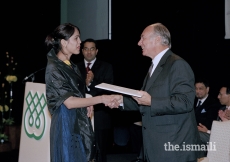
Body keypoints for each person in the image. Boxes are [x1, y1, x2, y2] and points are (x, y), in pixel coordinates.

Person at [108, 23, 201, 162]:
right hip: (156, 147)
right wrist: (121, 101)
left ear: (157, 39)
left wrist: (151, 101)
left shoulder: (177, 64)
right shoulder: (155, 66)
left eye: (142, 38)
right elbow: (145, 101)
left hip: (173, 149)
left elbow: (185, 102)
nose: (139, 43)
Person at [44, 23, 118, 162]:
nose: (80, 42)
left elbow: (76, 93)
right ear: (64, 42)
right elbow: (70, 102)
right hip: (66, 122)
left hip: (77, 120)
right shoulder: (54, 67)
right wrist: (101, 99)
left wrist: (85, 102)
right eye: (76, 38)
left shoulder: (71, 65)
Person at [77, 38, 114, 162]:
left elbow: (107, 90)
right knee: (80, 151)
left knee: (100, 153)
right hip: (79, 116)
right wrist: (85, 84)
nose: (89, 52)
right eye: (86, 49)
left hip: (100, 117)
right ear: (82, 51)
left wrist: (91, 83)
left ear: (96, 51)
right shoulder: (74, 68)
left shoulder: (106, 67)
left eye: (92, 49)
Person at [194, 78, 222, 146]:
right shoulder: (191, 102)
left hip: (205, 134)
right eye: (196, 88)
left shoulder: (213, 104)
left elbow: (208, 123)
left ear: (207, 89)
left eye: (200, 89)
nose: (198, 91)